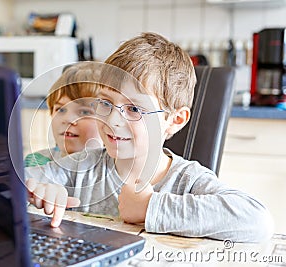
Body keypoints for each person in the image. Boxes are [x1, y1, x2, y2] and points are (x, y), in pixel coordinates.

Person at [24, 32, 273, 242]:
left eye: (134, 109)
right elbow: (4, 183)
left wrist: (150, 207)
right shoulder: (81, 166)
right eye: (106, 103)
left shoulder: (187, 181)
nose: (112, 121)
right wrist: (34, 190)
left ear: (174, 120)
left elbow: (257, 220)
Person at [24, 62, 103, 167]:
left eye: (84, 112)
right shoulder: (37, 162)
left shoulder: (118, 172)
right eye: (60, 110)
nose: (68, 119)